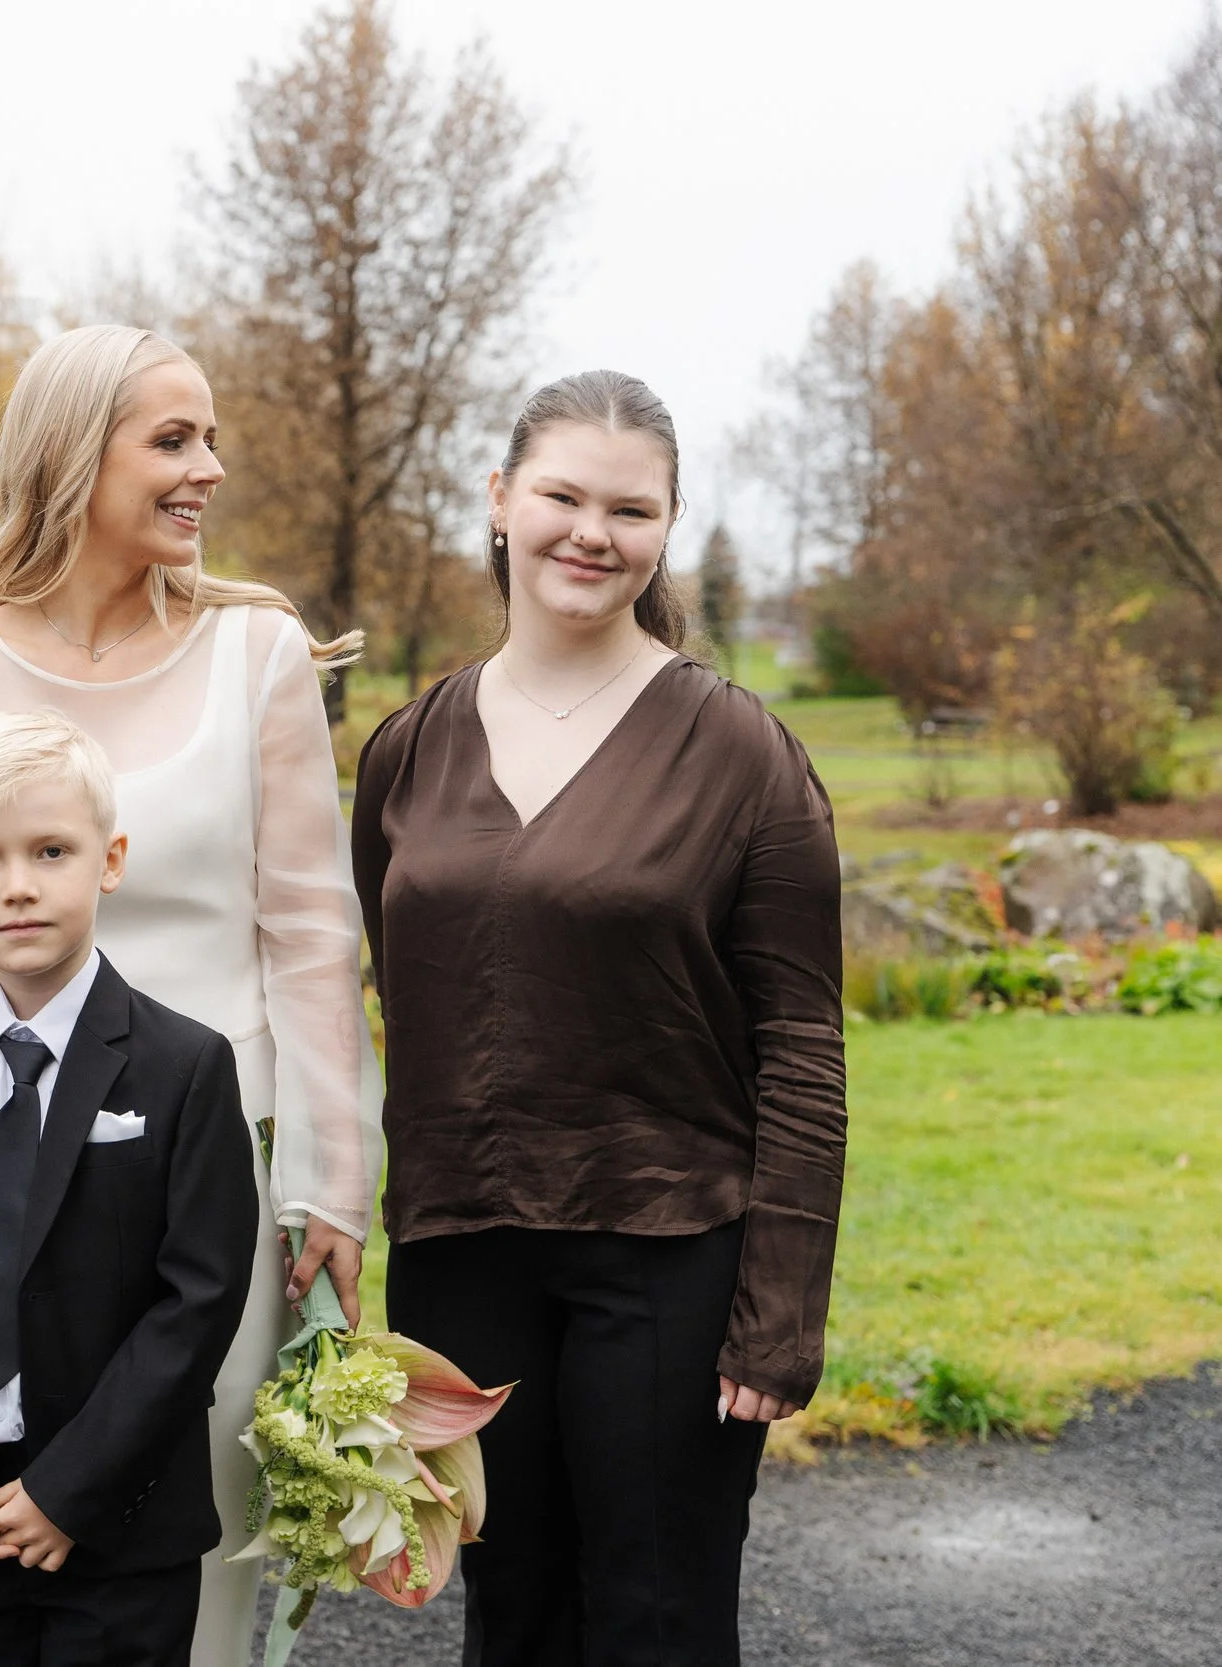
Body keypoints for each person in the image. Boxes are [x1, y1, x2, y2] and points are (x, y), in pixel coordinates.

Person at [0, 324, 383, 1664]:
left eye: (208, 436)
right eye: (173, 438)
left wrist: (333, 1180)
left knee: (172, 1538)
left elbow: (312, 932)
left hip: (209, 1188)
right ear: (75, 456)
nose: (210, 466)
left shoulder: (257, 656)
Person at [351, 370, 846, 1665]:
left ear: (667, 527)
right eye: (563, 494)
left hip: (669, 1253)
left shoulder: (743, 753)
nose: (592, 531)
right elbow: (400, 986)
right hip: (460, 1255)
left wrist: (780, 1306)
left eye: (631, 508)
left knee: (658, 1615)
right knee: (509, 1611)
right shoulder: (407, 751)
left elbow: (800, 1046)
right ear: (502, 500)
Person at [0, 709, 258, 1667]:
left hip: (120, 1514)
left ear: (109, 860)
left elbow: (197, 1300)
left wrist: (69, 1492)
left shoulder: (186, 1065)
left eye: (51, 851)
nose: (21, 886)